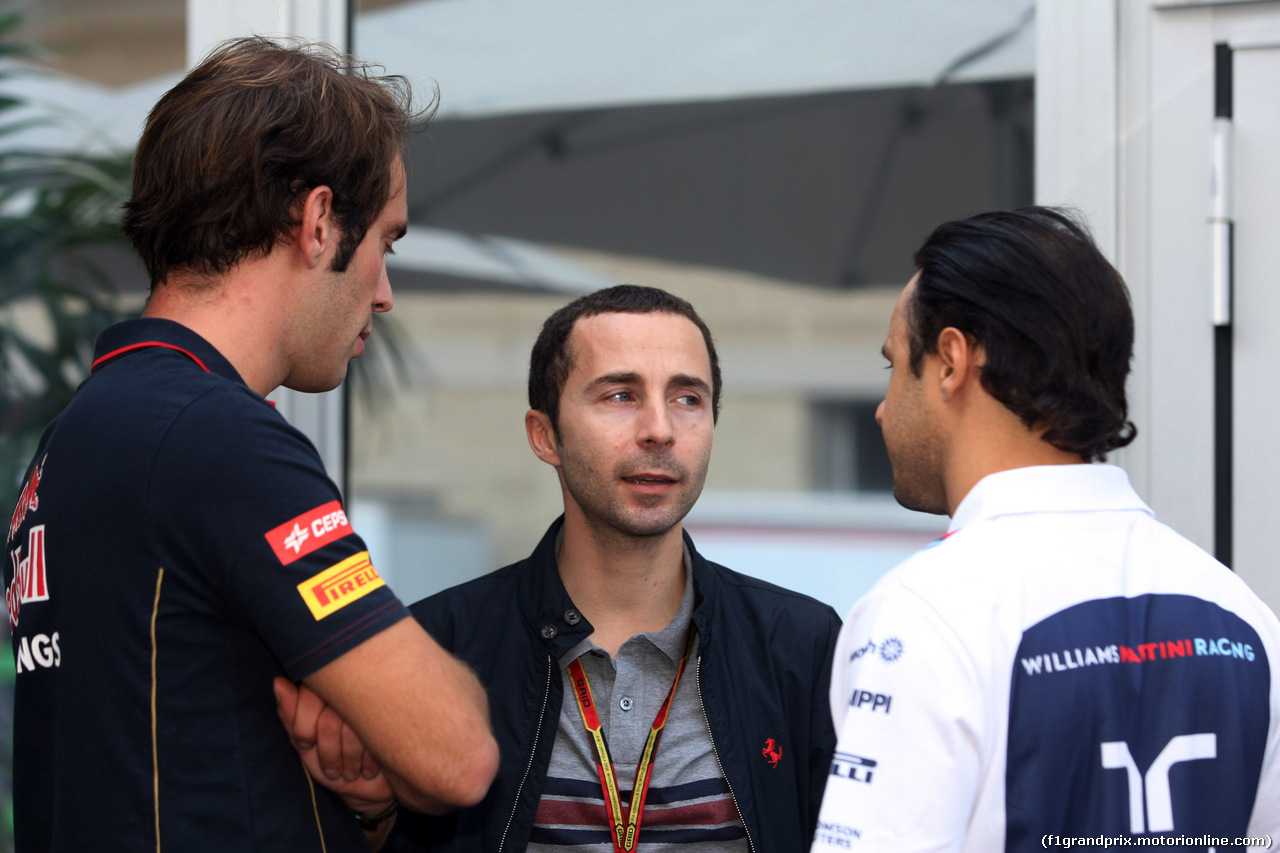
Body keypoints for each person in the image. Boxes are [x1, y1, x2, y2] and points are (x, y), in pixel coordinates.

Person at [3, 37, 497, 852]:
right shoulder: (216, 437)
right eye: (385, 242)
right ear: (316, 222)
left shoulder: (79, 434)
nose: (384, 293)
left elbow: (182, 756)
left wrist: (364, 805)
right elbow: (457, 754)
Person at [286, 284, 842, 851]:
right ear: (544, 435)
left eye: (687, 398)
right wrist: (377, 817)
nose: (660, 429)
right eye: (620, 396)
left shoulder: (803, 647)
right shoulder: (438, 647)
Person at [811, 207, 1280, 851]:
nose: (884, 408)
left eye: (894, 365)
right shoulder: (1243, 616)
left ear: (950, 360)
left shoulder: (924, 613)